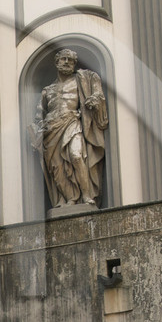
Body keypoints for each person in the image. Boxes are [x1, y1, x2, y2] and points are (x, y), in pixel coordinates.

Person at [34, 47, 109, 208]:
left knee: (76, 155)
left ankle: (87, 195)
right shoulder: (47, 90)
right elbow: (39, 115)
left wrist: (94, 99)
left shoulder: (81, 80)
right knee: (57, 167)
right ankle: (69, 198)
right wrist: (36, 131)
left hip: (72, 122)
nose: (67, 62)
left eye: (71, 60)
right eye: (64, 59)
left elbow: (98, 93)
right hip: (51, 130)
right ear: (56, 63)